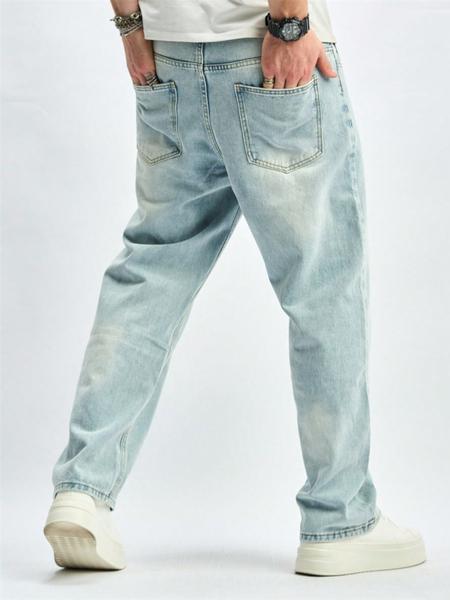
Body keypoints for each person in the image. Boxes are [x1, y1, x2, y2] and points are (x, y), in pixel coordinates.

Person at [43, 0, 426, 576]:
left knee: (152, 270)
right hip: (266, 49)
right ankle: (339, 516)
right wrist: (290, 25)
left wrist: (131, 26)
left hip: (167, 59)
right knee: (322, 286)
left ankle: (82, 490)